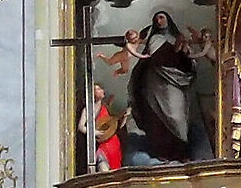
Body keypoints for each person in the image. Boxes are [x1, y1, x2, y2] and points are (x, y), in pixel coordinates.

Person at [131, 10, 211, 162]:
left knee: (177, 117)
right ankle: (162, 153)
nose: (160, 21)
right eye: (157, 19)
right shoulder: (155, 38)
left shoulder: (176, 37)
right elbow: (155, 57)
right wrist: (175, 49)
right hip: (157, 86)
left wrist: (183, 51)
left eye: (162, 17)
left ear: (168, 19)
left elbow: (188, 60)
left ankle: (181, 152)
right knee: (159, 117)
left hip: (176, 85)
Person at [82, 82, 124, 173]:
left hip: (113, 143)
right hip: (101, 145)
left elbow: (116, 125)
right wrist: (94, 132)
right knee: (103, 166)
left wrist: (125, 117)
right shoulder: (87, 110)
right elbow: (81, 127)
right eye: (97, 89)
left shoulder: (106, 107)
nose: (100, 91)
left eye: (100, 89)